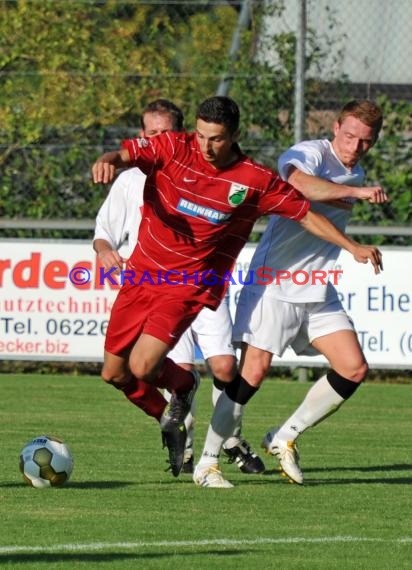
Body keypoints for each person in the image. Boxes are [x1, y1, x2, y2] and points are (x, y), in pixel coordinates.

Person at [92, 95, 383, 482]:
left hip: (192, 284)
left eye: (215, 139)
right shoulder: (175, 146)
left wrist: (351, 247)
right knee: (115, 373)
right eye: (200, 136)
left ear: (234, 136)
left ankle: (219, 450)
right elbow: (127, 153)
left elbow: (303, 212)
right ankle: (174, 406)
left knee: (146, 365)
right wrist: (109, 158)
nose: (205, 146)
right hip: (146, 277)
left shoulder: (253, 179)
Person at [194, 99, 386, 487]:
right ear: (335, 128)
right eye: (349, 136)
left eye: (365, 141)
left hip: (316, 288)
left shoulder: (357, 170)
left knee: (353, 367)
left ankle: (283, 436)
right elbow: (297, 185)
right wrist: (361, 194)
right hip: (275, 284)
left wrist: (356, 198)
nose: (354, 147)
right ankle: (207, 463)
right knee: (252, 375)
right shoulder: (309, 153)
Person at [93, 98, 264, 475]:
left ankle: (229, 441)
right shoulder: (130, 179)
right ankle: (174, 425)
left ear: (181, 134)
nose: (159, 138)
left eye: (166, 132)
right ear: (142, 137)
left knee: (223, 366)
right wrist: (105, 250)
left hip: (196, 284)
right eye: (151, 133)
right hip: (148, 284)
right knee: (124, 372)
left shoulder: (204, 165)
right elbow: (104, 232)